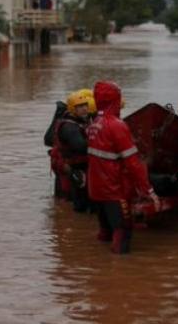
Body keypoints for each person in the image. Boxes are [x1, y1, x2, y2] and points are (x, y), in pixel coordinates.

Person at [87, 80, 160, 254]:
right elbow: (134, 164)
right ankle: (118, 275)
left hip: (96, 189)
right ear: (115, 99)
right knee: (123, 232)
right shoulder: (117, 126)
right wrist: (148, 191)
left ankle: (96, 270)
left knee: (105, 232)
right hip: (114, 190)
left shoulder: (94, 123)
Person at [49, 91, 91, 207]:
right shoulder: (70, 127)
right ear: (73, 108)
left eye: (85, 105)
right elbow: (81, 147)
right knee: (69, 202)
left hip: (72, 168)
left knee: (66, 204)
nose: (84, 109)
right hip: (70, 170)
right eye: (80, 107)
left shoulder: (79, 122)